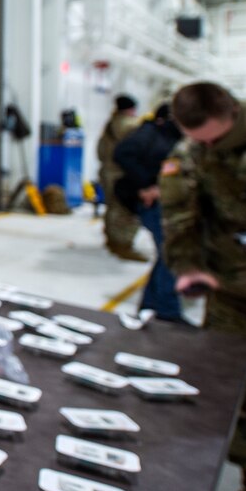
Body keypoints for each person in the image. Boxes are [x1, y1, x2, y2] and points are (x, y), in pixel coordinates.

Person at [161, 82, 246, 491]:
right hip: (233, 288)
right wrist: (187, 267)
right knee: (236, 386)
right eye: (198, 140)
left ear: (234, 115)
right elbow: (179, 215)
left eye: (218, 139)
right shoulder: (191, 154)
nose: (211, 148)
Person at [112, 104, 184, 323]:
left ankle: (153, 306)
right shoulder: (149, 134)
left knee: (167, 253)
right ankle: (166, 310)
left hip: (166, 199)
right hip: (151, 201)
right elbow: (122, 154)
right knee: (170, 253)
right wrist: (145, 185)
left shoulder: (173, 138)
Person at [96, 94, 147, 261]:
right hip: (122, 174)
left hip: (107, 172)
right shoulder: (132, 126)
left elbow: (100, 150)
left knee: (112, 208)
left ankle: (112, 240)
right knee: (124, 210)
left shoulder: (110, 124)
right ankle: (123, 245)